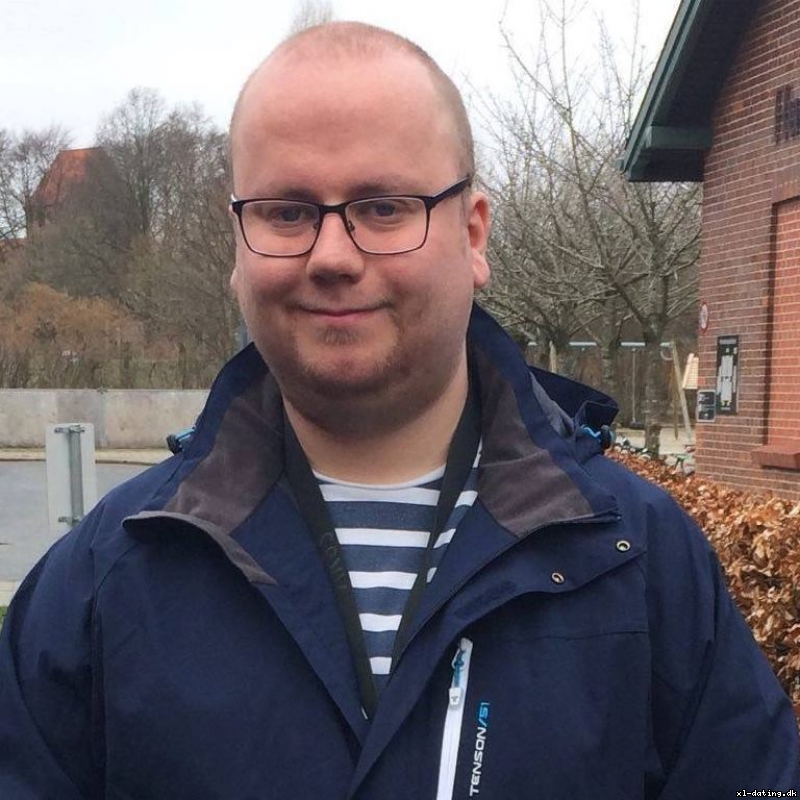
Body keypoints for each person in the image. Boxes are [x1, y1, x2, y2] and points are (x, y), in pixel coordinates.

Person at [1, 21, 798, 800]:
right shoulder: (106, 578)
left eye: (383, 207)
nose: (332, 256)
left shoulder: (639, 560)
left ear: (473, 234)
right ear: (238, 246)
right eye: (287, 212)